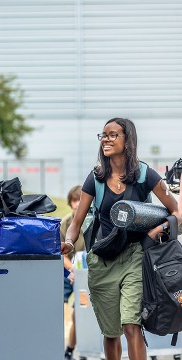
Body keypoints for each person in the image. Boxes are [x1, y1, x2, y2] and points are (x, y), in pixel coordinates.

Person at [61, 117, 180, 360]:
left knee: (131, 325)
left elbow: (176, 210)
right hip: (102, 261)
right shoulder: (95, 178)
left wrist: (156, 232)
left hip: (135, 257)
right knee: (111, 332)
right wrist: (70, 243)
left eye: (113, 134)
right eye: (103, 134)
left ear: (128, 140)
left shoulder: (145, 174)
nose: (106, 139)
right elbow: (76, 222)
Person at [60, 185, 86, 360]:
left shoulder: (92, 221)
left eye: (80, 200)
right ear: (70, 203)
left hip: (88, 271)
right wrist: (72, 270)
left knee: (81, 311)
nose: (77, 204)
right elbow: (61, 254)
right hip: (69, 270)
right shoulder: (65, 223)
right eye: (74, 200)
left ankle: (76, 347)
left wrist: (81, 272)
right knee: (55, 306)